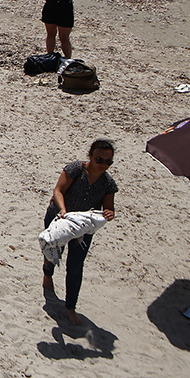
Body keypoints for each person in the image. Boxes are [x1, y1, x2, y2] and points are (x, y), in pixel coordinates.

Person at [42, 139, 117, 325]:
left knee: (76, 266)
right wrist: (62, 210)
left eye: (109, 162)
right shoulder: (76, 169)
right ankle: (47, 275)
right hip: (58, 219)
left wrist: (109, 213)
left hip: (82, 228)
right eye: (99, 159)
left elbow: (109, 208)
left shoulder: (108, 183)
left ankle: (70, 307)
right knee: (52, 253)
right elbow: (58, 190)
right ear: (90, 155)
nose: (103, 165)